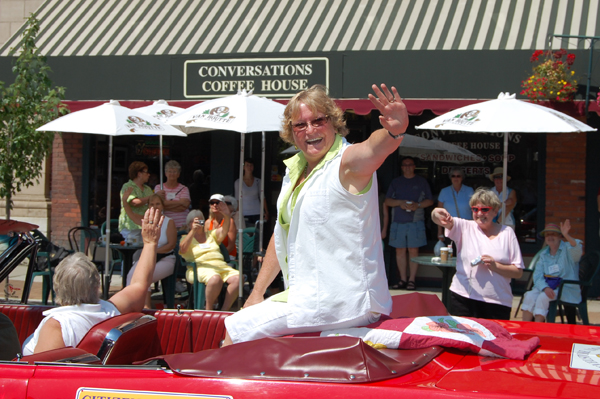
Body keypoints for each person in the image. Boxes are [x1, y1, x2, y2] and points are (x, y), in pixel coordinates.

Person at [222, 83, 409, 346]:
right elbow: (282, 236)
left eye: (318, 121)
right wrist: (256, 293)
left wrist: (394, 131)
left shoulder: (346, 162)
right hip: (309, 297)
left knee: (236, 327)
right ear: (291, 132)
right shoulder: (295, 170)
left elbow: (371, 150)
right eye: (300, 125)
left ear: (333, 122)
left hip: (346, 300)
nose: (310, 130)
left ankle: (219, 387)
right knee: (247, 319)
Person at [22, 207, 164, 355]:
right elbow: (139, 285)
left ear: (57, 287)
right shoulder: (108, 310)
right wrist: (150, 243)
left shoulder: (57, 325)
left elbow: (42, 372)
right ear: (97, 286)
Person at [431, 187, 524, 320]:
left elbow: (518, 272)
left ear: (495, 210)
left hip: (497, 302)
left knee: (494, 340)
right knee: (462, 340)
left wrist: (495, 266)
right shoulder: (465, 227)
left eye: (484, 209)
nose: (479, 213)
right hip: (463, 297)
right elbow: (438, 218)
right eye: (475, 209)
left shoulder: (507, 233)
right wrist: (436, 212)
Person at [383, 156, 434, 290]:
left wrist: (418, 205)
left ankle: (412, 280)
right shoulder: (396, 182)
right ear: (401, 168)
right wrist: (400, 203)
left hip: (415, 222)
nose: (407, 167)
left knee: (413, 250)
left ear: (414, 167)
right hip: (398, 222)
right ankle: (402, 280)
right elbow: (387, 201)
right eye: (404, 165)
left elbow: (430, 201)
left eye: (409, 164)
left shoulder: (421, 182)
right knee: (399, 251)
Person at [124, 188, 177, 309]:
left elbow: (171, 245)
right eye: (152, 204)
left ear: (163, 206)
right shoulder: (146, 221)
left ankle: (145, 307)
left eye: (157, 204)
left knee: (145, 276)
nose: (155, 206)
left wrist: (152, 250)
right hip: (148, 258)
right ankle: (132, 305)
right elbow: (131, 215)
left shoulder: (169, 222)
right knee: (130, 275)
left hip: (166, 259)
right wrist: (125, 202)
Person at [522, 220, 582, 323]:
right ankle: (525, 329)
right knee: (529, 295)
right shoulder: (543, 254)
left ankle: (538, 329)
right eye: (547, 235)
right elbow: (537, 275)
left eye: (553, 234)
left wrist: (566, 235)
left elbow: (577, 249)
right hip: (546, 286)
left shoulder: (567, 250)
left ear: (559, 237)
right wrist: (545, 287)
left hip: (565, 288)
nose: (550, 237)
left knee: (543, 297)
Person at [179, 209, 240, 311]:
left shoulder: (211, 234)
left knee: (238, 279)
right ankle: (209, 309)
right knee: (215, 278)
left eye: (201, 221)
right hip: (199, 268)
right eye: (195, 222)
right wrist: (193, 231)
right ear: (189, 224)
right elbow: (183, 248)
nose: (199, 224)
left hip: (220, 266)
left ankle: (224, 310)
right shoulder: (185, 237)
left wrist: (227, 216)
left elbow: (224, 230)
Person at [118, 161, 154, 241]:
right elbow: (134, 202)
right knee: (133, 249)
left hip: (146, 225)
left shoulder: (147, 189)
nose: (149, 174)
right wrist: (151, 197)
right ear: (139, 174)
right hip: (131, 226)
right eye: (146, 172)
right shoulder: (128, 186)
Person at [437, 167, 474, 244]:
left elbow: (474, 210)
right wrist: (440, 232)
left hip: (467, 228)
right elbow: (439, 214)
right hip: (450, 229)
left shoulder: (470, 190)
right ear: (450, 178)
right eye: (453, 176)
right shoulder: (444, 191)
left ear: (462, 178)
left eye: (458, 176)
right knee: (451, 253)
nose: (456, 178)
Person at [154, 160, 191, 231]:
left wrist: (165, 206)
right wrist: (180, 202)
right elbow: (159, 205)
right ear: (165, 173)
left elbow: (185, 206)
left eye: (175, 172)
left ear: (178, 174)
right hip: (164, 224)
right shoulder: (159, 188)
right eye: (170, 171)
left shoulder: (184, 189)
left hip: (181, 225)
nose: (172, 174)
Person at [234, 158, 269, 226]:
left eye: (251, 165)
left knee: (257, 233)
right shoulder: (238, 182)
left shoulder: (258, 181)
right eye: (247, 165)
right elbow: (237, 199)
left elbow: (262, 197)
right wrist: (237, 214)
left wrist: (266, 212)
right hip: (244, 213)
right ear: (244, 167)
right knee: (245, 234)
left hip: (257, 212)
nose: (249, 167)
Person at [205, 193, 238, 258]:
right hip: (211, 255)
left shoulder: (230, 221)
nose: (214, 205)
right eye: (212, 202)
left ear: (224, 205)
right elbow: (205, 242)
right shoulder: (207, 222)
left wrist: (217, 256)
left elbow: (230, 247)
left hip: (228, 255)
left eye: (217, 202)